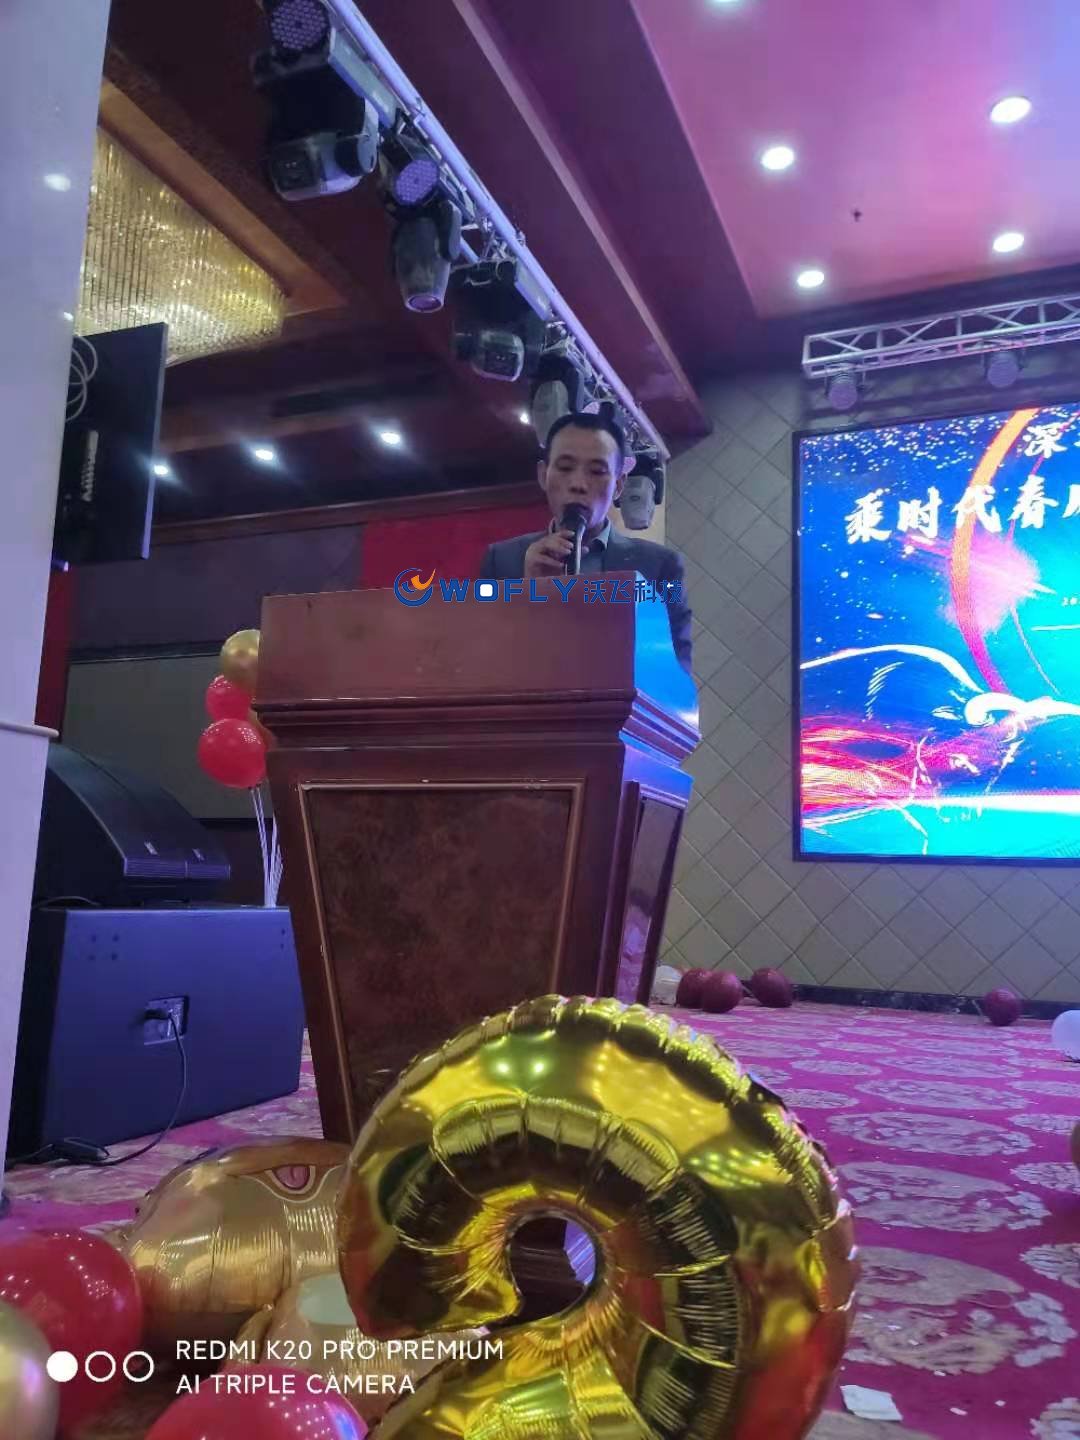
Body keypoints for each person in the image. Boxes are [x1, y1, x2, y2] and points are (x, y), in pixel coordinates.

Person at [479, 412, 692, 670]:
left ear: (618, 486)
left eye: (597, 471)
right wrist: (528, 597)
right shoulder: (501, 560)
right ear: (543, 475)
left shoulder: (661, 567)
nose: (578, 484)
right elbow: (483, 659)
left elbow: (676, 670)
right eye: (565, 468)